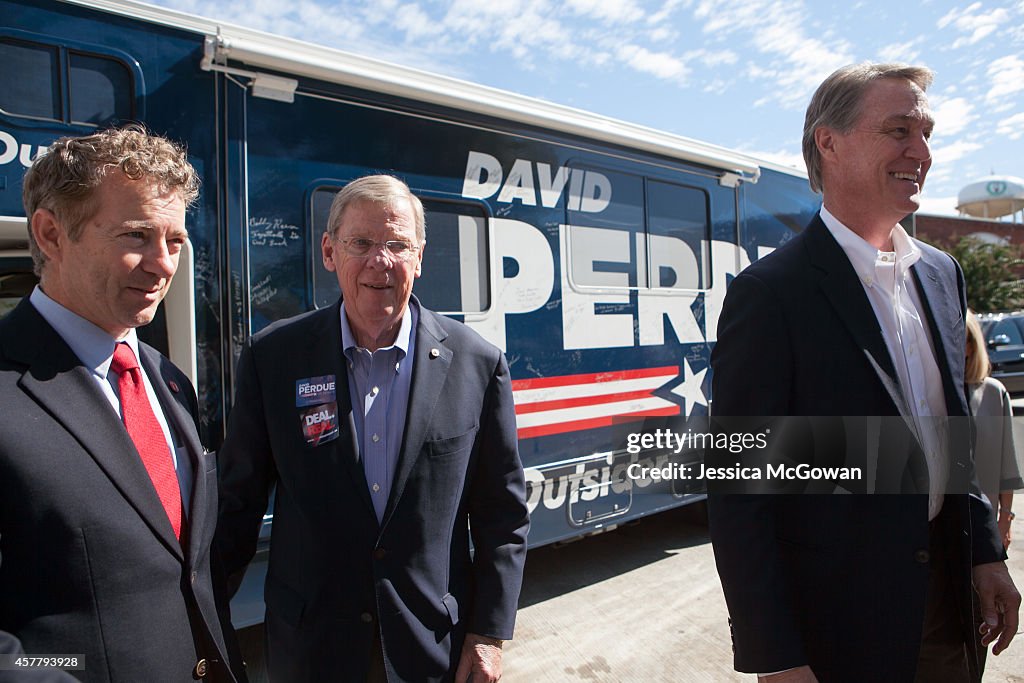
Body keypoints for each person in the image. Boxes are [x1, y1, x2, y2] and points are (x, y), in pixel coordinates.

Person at [707, 63, 1020, 682]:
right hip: (839, 628)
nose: (922, 152)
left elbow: (950, 431)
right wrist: (775, 656)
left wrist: (985, 553)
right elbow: (739, 488)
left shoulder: (940, 274)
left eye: (927, 133)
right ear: (829, 142)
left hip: (948, 612)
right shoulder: (771, 293)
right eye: (899, 130)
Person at [216, 174, 530, 682]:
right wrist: (199, 614)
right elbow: (237, 503)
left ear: (420, 257)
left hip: (430, 648)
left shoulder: (477, 364)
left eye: (397, 244)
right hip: (310, 649)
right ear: (329, 251)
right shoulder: (273, 358)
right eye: (360, 243)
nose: (379, 261)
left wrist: (489, 633)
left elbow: (502, 514)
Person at [0, 126, 244, 682]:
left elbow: (189, 572)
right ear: (51, 234)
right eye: (136, 235)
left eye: (176, 241)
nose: (163, 265)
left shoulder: (168, 380)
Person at [965, 310, 1022, 550]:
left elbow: (1007, 466)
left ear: (970, 346)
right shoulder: (929, 393)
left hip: (984, 525)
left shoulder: (993, 393)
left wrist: (1004, 520)